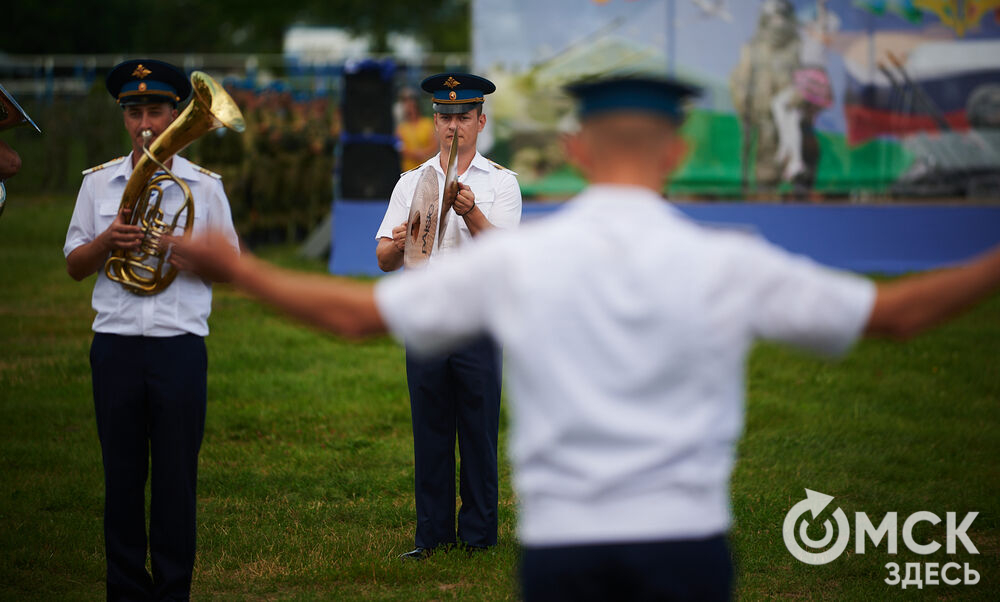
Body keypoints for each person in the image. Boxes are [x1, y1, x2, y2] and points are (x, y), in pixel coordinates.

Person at [170, 73, 1000, 600]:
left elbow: (356, 315)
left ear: (574, 148)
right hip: (687, 546)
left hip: (565, 549)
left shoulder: (529, 262)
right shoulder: (727, 261)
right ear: (678, 149)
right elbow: (892, 317)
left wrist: (238, 269)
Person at [64, 59, 238, 601]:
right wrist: (105, 243)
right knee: (120, 474)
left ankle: (172, 588)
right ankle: (123, 587)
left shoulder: (204, 189)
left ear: (174, 114)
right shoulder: (98, 184)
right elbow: (74, 263)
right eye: (134, 112)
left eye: (156, 111)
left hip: (178, 347)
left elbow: (231, 267)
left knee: (175, 479)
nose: (145, 123)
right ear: (124, 116)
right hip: (115, 346)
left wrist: (181, 250)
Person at [375, 72, 522, 559]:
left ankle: (479, 538)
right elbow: (383, 258)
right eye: (445, 117)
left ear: (481, 122)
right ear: (435, 122)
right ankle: (431, 538)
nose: (454, 126)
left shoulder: (501, 183)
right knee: (431, 433)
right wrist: (398, 241)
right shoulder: (411, 182)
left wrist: (473, 213)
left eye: (464, 117)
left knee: (478, 435)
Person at [395, 87, 437, 172]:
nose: (409, 108)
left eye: (411, 104)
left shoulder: (427, 123)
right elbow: (399, 147)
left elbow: (434, 144)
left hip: (426, 169)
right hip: (408, 170)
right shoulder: (401, 128)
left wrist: (423, 154)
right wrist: (415, 154)